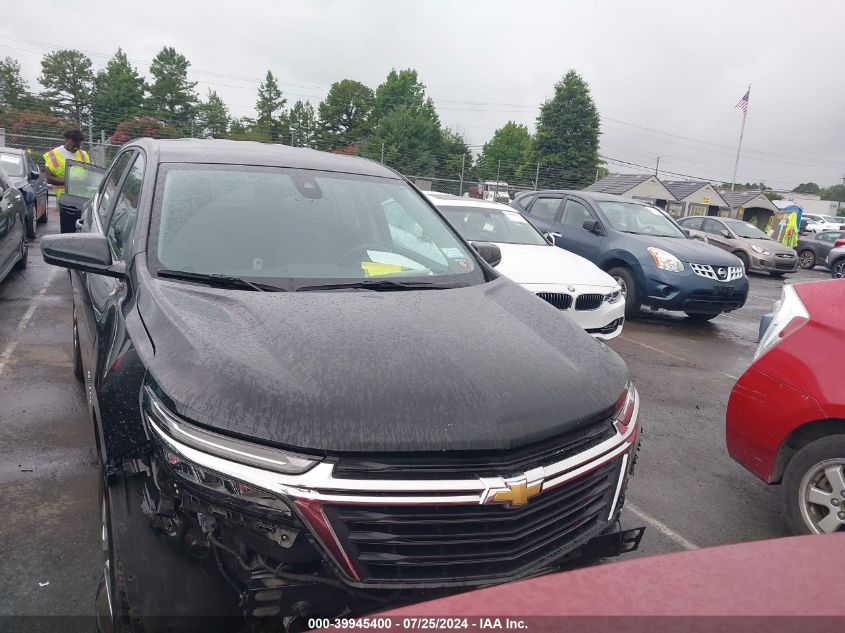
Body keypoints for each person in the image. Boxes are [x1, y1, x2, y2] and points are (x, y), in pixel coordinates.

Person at [42, 129, 90, 204]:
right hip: (65, 199)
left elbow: (90, 174)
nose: (76, 148)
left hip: (83, 198)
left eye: (78, 146)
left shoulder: (83, 155)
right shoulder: (52, 155)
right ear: (66, 140)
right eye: (73, 145)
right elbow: (49, 178)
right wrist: (70, 182)